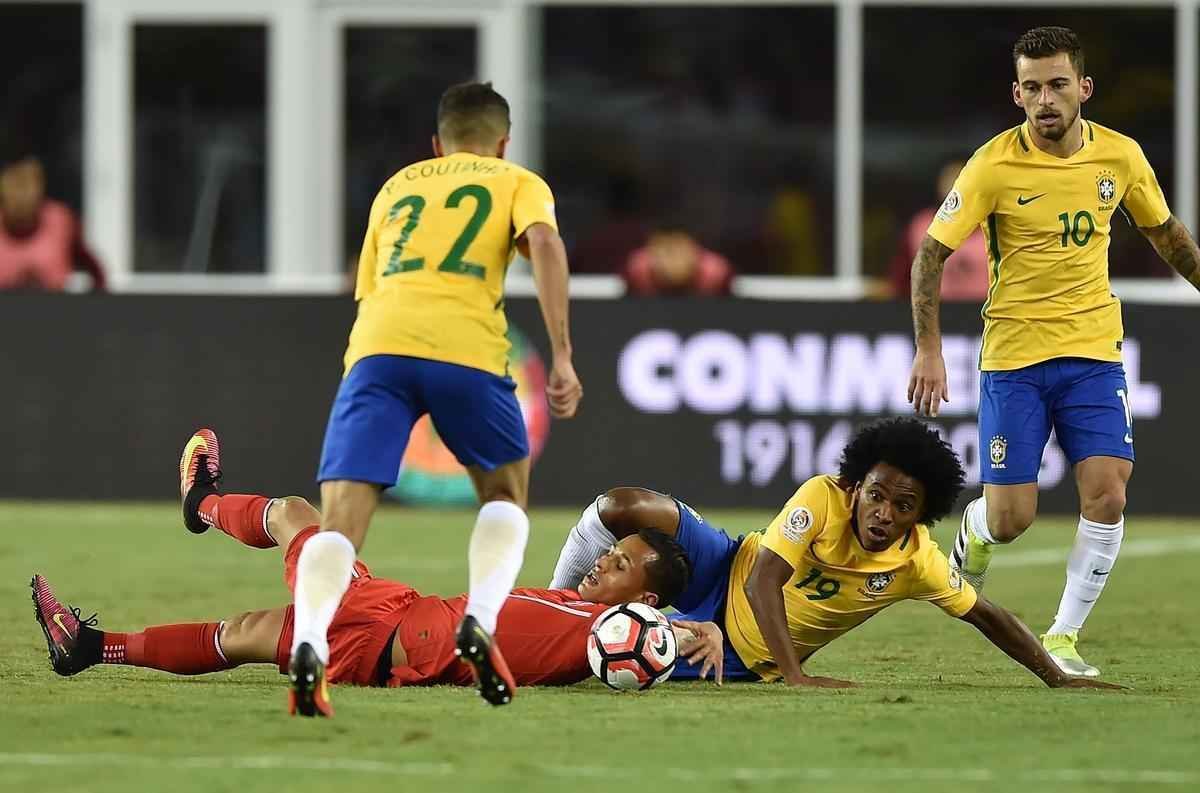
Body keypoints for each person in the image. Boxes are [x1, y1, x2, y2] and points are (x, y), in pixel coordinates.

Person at [278, 82, 584, 716]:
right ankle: (480, 620)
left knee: (340, 523)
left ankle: (310, 640)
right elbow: (546, 246)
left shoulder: (397, 185)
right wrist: (560, 354)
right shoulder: (514, 179)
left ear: (436, 143)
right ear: (503, 142)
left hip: (378, 349)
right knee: (504, 494)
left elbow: (365, 283)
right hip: (465, 349)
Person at [906, 27, 1200, 677]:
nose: (1046, 99)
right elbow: (931, 255)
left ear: (1083, 89)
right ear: (1017, 94)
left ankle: (1063, 637)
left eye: (1058, 84)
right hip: (1014, 357)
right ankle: (976, 530)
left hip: (1094, 351)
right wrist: (929, 347)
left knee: (1108, 492)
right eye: (1032, 87)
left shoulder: (1120, 158)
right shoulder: (993, 164)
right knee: (1013, 518)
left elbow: (1168, 235)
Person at [31, 431, 717, 703]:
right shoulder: (598, 609)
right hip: (403, 611)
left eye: (621, 561)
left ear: (647, 597)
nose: (603, 560)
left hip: (391, 637)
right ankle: (91, 647)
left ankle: (201, 501)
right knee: (243, 629)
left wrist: (687, 631)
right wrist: (698, 629)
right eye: (611, 550)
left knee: (296, 518)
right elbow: (654, 633)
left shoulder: (625, 628)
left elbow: (644, 643)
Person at [551, 417, 1122, 690]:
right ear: (855, 488)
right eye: (876, 496)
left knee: (599, 656)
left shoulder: (916, 561)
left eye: (903, 505)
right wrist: (800, 677)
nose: (884, 514)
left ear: (920, 515)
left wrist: (1056, 677)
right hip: (726, 568)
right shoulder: (822, 498)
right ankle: (552, 599)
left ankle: (557, 631)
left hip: (744, 657)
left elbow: (986, 614)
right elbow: (761, 581)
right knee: (625, 506)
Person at [0, 149, 106, 292]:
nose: (22, 192)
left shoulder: (61, 221)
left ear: (41, 186)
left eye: (29, 181)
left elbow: (94, 269)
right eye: (15, 182)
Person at [887, 159, 989, 301]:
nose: (955, 187)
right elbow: (901, 280)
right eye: (949, 180)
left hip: (989, 315)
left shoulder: (998, 226)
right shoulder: (921, 226)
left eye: (962, 179)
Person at [621, 225, 733, 297]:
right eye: (665, 250)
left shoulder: (716, 273)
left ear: (696, 250)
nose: (672, 259)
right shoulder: (637, 270)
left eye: (679, 249)